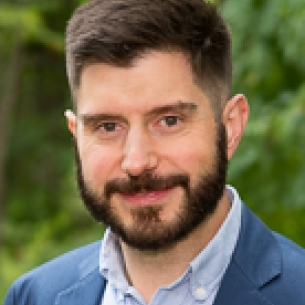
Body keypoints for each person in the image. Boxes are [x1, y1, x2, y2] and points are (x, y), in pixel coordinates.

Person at [4, 0, 305, 304]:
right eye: (108, 126)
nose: (136, 162)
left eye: (169, 121)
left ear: (231, 127)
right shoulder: (34, 296)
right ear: (76, 135)